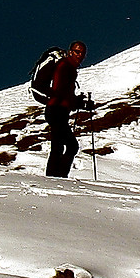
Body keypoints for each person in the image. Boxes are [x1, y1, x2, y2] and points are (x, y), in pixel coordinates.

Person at [34, 40, 93, 178]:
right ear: (70, 52)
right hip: (56, 110)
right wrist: (80, 103)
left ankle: (55, 178)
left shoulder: (69, 68)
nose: (80, 55)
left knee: (59, 145)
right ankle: (57, 178)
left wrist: (77, 102)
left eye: (83, 53)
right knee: (69, 146)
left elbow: (63, 94)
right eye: (78, 52)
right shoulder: (65, 66)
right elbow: (60, 92)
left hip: (57, 110)